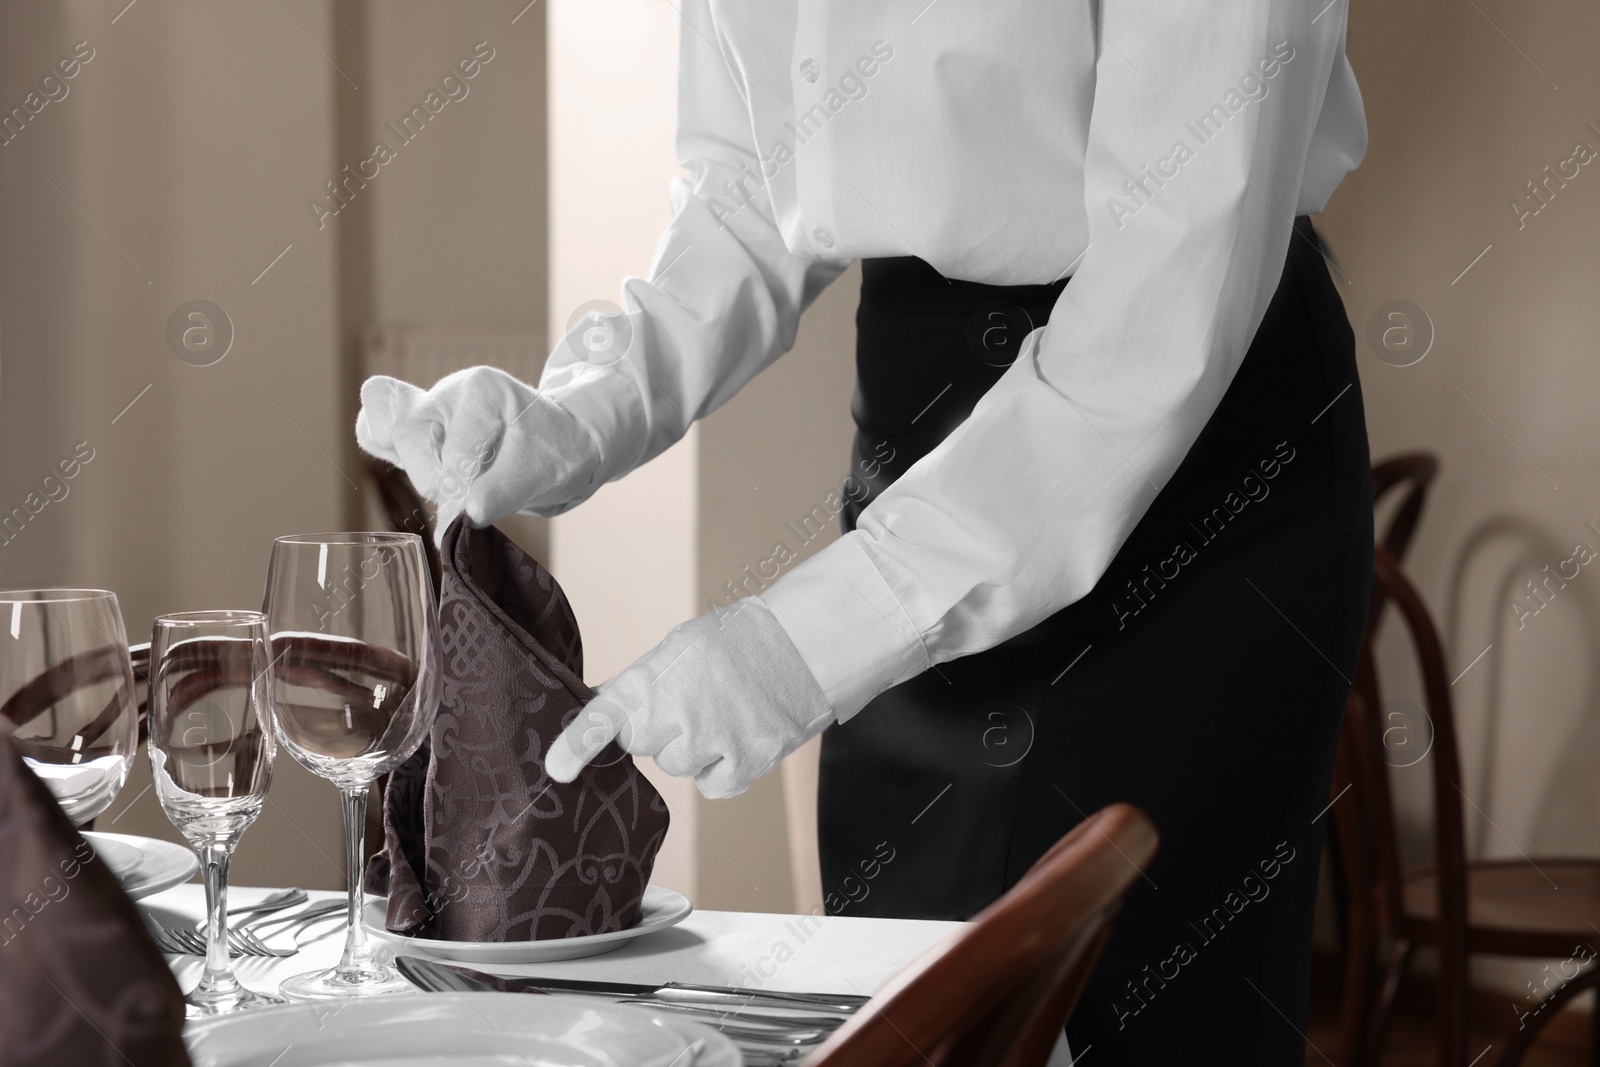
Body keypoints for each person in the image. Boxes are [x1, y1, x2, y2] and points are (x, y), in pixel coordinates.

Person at [355, 2, 1371, 1059]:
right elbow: (750, 188)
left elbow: (1169, 288)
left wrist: (804, 640)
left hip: (1192, 457)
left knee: (1140, 1018)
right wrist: (578, 413)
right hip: (915, 424)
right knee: (914, 1008)